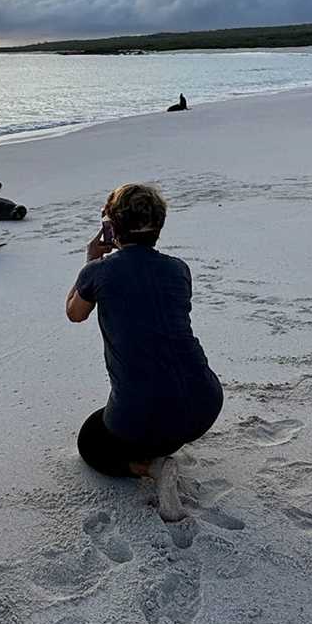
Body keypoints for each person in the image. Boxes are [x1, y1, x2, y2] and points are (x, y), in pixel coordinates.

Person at [65, 183, 222, 522]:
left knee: (91, 441)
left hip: (141, 414)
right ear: (159, 226)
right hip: (205, 403)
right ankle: (159, 447)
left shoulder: (99, 272)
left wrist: (91, 260)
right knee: (154, 411)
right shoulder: (179, 269)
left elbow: (74, 313)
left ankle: (150, 467)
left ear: (112, 226)